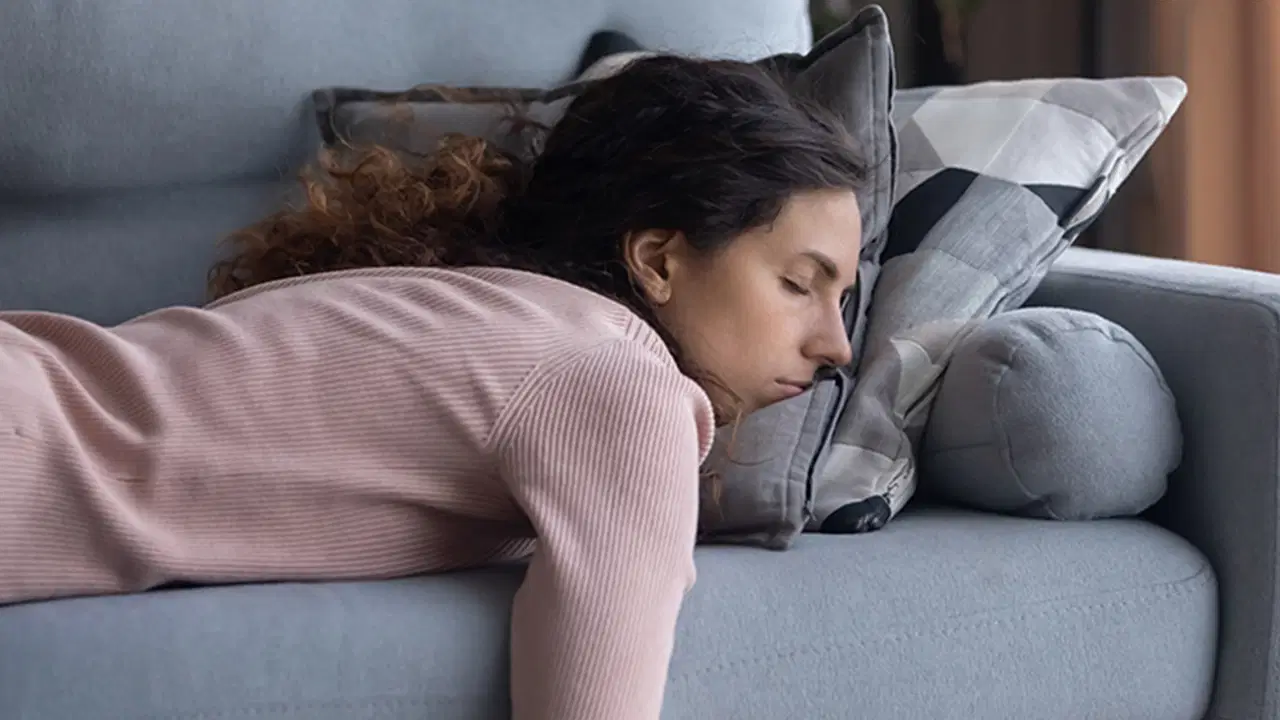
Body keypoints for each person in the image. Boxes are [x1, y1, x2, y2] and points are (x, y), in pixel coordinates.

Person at [0, 56, 867, 719]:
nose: (835, 346)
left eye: (844, 300)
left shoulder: (489, 311)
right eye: (799, 283)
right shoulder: (618, 384)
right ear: (659, 259)